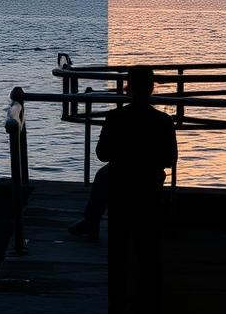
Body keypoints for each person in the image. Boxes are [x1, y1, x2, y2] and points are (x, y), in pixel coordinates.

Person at [68, 65, 177, 241]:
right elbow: (170, 159)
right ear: (151, 88)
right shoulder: (164, 120)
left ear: (128, 88)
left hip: (120, 176)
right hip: (151, 178)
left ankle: (91, 222)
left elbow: (101, 154)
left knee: (103, 175)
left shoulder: (114, 117)